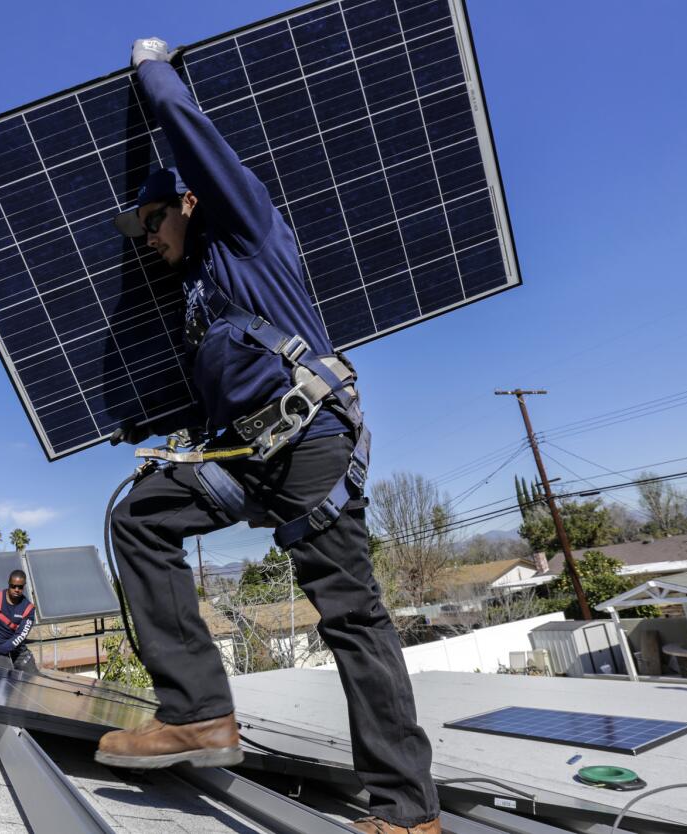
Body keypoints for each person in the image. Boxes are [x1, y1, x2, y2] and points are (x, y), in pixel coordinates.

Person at [97, 38, 441, 834]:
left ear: (184, 203)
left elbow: (188, 132)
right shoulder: (195, 299)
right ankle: (199, 714)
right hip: (246, 458)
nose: (146, 241)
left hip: (313, 440)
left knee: (352, 616)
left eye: (150, 222)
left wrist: (153, 69)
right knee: (138, 517)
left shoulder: (245, 233)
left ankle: (406, 813)